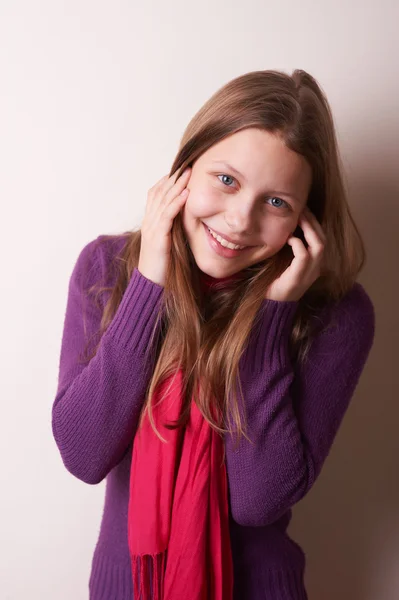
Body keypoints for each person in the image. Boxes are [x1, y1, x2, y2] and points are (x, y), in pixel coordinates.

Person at [51, 69, 375, 600]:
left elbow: (257, 500)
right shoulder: (108, 269)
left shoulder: (334, 315)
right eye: (226, 180)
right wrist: (149, 283)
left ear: (303, 221)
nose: (240, 220)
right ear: (185, 170)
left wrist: (272, 321)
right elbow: (84, 455)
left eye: (276, 203)